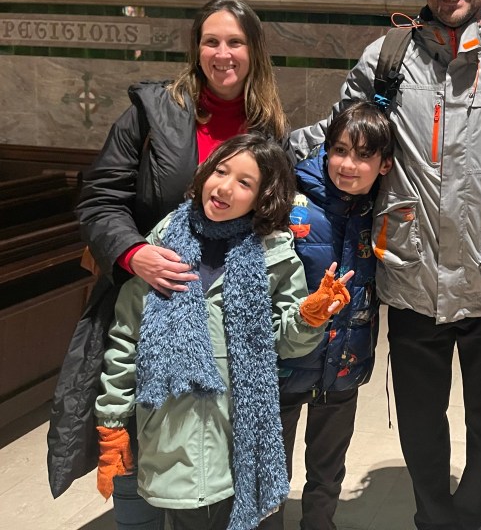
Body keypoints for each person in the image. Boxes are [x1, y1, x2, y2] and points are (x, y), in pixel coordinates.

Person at [290, 0, 481, 530]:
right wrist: (252, 168)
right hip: (411, 275)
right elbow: (339, 139)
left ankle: (472, 519)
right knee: (419, 421)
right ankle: (434, 519)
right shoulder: (386, 59)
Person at [46, 0, 288, 529]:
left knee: (208, 450)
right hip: (149, 293)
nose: (222, 54)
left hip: (224, 305)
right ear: (195, 48)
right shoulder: (153, 112)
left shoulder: (267, 125)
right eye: (211, 41)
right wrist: (135, 255)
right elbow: (99, 199)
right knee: (137, 439)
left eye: (235, 42)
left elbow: (272, 208)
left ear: (254, 50)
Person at [94, 134, 350, 530]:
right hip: (171, 434)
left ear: (262, 197)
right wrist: (112, 421)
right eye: (221, 171)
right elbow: (127, 337)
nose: (225, 187)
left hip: (239, 436)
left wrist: (309, 317)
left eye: (245, 182)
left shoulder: (274, 254)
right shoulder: (161, 247)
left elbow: (283, 341)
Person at [260, 104, 394, 530]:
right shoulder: (290, 197)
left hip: (345, 364)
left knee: (328, 470)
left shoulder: (381, 207)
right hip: (283, 363)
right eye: (339, 150)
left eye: (363, 155)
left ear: (385, 164)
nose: (348, 165)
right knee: (268, 474)